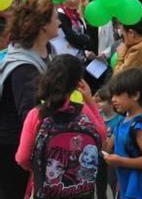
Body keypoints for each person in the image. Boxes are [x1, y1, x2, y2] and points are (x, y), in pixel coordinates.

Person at [15, 55, 107, 198]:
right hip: (81, 191)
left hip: (46, 190)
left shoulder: (36, 114)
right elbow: (101, 136)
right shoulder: (83, 111)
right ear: (78, 83)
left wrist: (39, 167)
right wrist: (89, 100)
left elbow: (22, 158)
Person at [0, 0, 59, 199]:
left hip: (33, 145)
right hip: (14, 150)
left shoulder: (48, 52)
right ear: (42, 25)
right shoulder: (23, 66)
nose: (59, 21)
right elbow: (30, 116)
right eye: (55, 17)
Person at [105, 68, 142, 199]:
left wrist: (120, 161)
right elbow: (107, 147)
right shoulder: (122, 122)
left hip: (141, 191)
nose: (113, 99)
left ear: (135, 95)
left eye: (118, 95)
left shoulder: (140, 125)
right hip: (126, 189)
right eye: (112, 95)